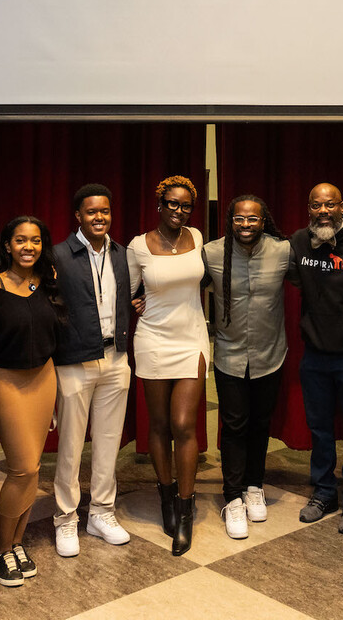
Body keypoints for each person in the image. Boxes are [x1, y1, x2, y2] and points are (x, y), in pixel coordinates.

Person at [287, 182, 343, 535]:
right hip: (315, 356)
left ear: (342, 206)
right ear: (308, 208)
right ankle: (324, 492)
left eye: (329, 205)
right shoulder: (298, 241)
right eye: (315, 205)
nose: (322, 211)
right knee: (319, 429)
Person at [127, 175, 210, 556]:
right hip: (153, 340)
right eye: (172, 204)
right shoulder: (138, 246)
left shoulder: (197, 238)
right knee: (159, 425)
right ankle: (165, 496)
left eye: (186, 205)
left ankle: (186, 509)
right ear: (159, 205)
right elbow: (129, 293)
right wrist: (135, 303)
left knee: (183, 424)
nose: (179, 211)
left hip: (191, 337)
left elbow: (204, 281)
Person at [200, 194, 291, 539]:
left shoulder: (282, 251)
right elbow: (184, 288)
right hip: (229, 354)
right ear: (230, 220)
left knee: (260, 423)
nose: (246, 225)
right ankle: (232, 497)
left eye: (252, 219)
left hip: (270, 354)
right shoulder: (212, 253)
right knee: (234, 425)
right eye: (239, 219)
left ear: (263, 220)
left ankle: (255, 485)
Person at [49, 184, 134, 558]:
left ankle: (101, 513)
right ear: (78, 217)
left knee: (108, 441)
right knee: (69, 445)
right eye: (91, 212)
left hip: (116, 360)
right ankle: (65, 517)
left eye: (105, 211)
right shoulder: (58, 256)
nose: (99, 217)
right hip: (74, 362)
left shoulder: (123, 255)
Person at [0, 216, 62, 588]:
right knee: (22, 468)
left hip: (44, 378)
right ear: (6, 245)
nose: (28, 247)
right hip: (6, 381)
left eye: (34, 240)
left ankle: (17, 543)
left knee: (34, 466)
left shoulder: (46, 281)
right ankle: (1, 550)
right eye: (20, 240)